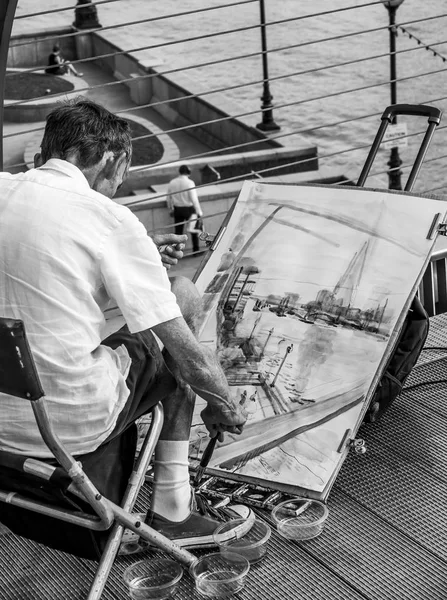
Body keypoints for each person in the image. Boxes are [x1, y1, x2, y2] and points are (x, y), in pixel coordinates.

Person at [0, 99, 246, 554]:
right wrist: (222, 404)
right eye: (121, 176)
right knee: (185, 296)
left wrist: (135, 253)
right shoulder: (107, 218)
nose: (115, 188)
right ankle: (173, 507)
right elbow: (188, 355)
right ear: (112, 160)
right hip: (66, 422)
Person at [166, 164, 203, 253]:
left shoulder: (172, 182)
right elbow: (194, 199)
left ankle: (177, 251)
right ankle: (196, 250)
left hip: (177, 209)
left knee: (178, 232)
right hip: (189, 209)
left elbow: (168, 198)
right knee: (194, 230)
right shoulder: (190, 183)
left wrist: (170, 209)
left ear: (180, 172)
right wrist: (199, 212)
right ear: (188, 173)